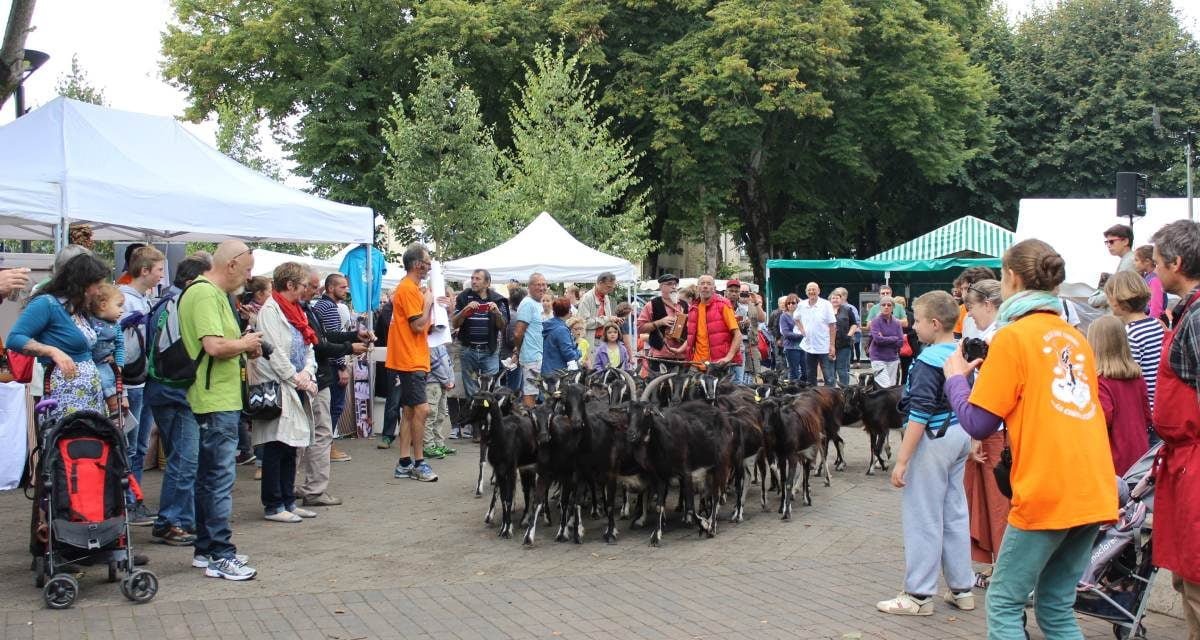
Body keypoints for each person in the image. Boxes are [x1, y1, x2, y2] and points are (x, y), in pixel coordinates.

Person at [942, 239, 1117, 638]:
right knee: (1056, 607)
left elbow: (978, 423)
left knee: (1004, 601)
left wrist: (956, 379)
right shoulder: (1075, 337)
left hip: (1047, 490)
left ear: (1012, 278)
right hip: (1093, 488)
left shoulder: (1013, 337)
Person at [877, 291, 974, 616]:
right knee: (955, 512)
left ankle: (918, 595)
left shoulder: (927, 362)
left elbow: (918, 414)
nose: (913, 327)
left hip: (933, 439)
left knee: (923, 517)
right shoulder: (961, 353)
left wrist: (902, 460)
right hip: (960, 434)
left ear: (934, 324)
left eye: (917, 321)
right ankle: (962, 589)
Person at [180, 240, 262, 580]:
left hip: (218, 398)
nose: (248, 278)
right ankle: (220, 554)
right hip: (214, 400)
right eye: (246, 271)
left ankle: (207, 549)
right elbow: (213, 346)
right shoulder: (204, 294)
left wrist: (244, 348)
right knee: (218, 479)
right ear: (230, 265)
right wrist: (245, 344)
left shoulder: (212, 295)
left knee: (209, 478)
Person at [1148, 219, 1200, 634]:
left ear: (1176, 263)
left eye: (1157, 263)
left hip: (1196, 461)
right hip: (1185, 460)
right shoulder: (1188, 312)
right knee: (1189, 578)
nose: (1154, 272)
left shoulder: (1198, 318)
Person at [145, 255, 211, 547]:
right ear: (192, 282)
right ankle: (170, 521)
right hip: (178, 392)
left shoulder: (164, 303)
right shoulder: (183, 305)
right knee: (185, 460)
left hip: (162, 390)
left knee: (180, 459)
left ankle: (182, 519)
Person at [250, 263, 319, 524]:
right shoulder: (270, 311)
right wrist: (297, 378)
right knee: (276, 446)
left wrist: (308, 373)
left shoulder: (297, 311)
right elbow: (274, 352)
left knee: (293, 446)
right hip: (280, 386)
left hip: (296, 384)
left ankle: (288, 499)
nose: (306, 290)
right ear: (290, 285)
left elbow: (308, 344)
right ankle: (274, 503)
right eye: (303, 285)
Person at [8, 254, 111, 423]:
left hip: (89, 397)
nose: (99, 292)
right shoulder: (47, 304)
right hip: (64, 397)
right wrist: (52, 351)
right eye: (97, 286)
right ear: (83, 284)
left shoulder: (77, 308)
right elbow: (15, 338)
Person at [299, 269, 371, 507]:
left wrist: (352, 337)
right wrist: (348, 352)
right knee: (321, 431)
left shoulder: (309, 308)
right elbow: (321, 344)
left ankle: (302, 488)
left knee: (317, 430)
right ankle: (313, 489)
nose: (314, 290)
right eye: (311, 286)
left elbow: (325, 337)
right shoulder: (321, 308)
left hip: (315, 375)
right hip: (316, 377)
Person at [958, 279, 1008, 589]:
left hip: (993, 433)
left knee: (997, 502)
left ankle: (1006, 570)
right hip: (991, 430)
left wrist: (977, 433)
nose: (969, 313)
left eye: (972, 306)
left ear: (988, 304)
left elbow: (989, 393)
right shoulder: (994, 337)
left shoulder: (998, 339)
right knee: (991, 502)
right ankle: (1000, 566)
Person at [386, 243, 441, 482]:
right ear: (418, 264)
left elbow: (423, 325)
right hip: (410, 359)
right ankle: (419, 463)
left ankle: (404, 462)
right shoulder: (409, 289)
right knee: (422, 409)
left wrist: (436, 308)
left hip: (413, 357)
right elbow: (417, 325)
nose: (429, 266)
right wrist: (429, 303)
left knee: (409, 411)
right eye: (427, 262)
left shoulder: (412, 290)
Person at [120, 245, 166, 525]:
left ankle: (134, 500)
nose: (162, 275)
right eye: (159, 269)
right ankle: (128, 502)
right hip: (132, 384)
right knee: (131, 447)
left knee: (137, 446)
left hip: (140, 382)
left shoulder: (141, 299)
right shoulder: (126, 301)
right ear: (145, 270)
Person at [1087, 316, 1151, 475]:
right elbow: (1147, 416)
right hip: (1140, 456)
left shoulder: (1100, 382)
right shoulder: (1137, 377)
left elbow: (1101, 421)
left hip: (1114, 461)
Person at [451, 268, 508, 437]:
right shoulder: (463, 297)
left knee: (489, 390)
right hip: (468, 350)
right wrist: (465, 311)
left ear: (487, 283)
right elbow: (455, 323)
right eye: (472, 278)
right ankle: (476, 427)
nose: (474, 281)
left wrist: (497, 312)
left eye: (478, 279)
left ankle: (488, 426)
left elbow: (502, 326)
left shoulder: (498, 299)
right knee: (472, 391)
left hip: (488, 351)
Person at [1105, 270, 1165, 428]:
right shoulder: (1156, 324)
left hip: (1144, 412)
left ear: (1117, 301)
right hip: (1160, 405)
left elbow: (1132, 376)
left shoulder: (1130, 333)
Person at [310, 272, 354, 461]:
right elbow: (330, 338)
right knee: (334, 408)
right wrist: (342, 366)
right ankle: (328, 447)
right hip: (330, 366)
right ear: (330, 288)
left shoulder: (320, 306)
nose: (346, 290)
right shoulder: (329, 308)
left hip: (323, 364)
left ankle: (326, 446)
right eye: (342, 287)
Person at [684, 275, 742, 371]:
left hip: (717, 365)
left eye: (709, 284)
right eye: (702, 283)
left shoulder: (723, 305)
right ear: (698, 288)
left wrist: (728, 357)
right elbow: (692, 337)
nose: (705, 286)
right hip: (696, 363)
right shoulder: (693, 308)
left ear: (714, 289)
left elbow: (738, 335)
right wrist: (679, 350)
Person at [87, 283, 126, 418]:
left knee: (112, 387)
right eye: (118, 306)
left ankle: (116, 414)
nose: (122, 311)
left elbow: (120, 345)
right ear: (103, 305)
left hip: (108, 365)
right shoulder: (88, 321)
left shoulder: (116, 326)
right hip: (91, 365)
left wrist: (119, 364)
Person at [510, 273, 548, 408]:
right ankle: (529, 423)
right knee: (530, 392)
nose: (543, 288)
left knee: (535, 391)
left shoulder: (537, 303)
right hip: (531, 356)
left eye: (544, 284)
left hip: (537, 355)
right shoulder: (527, 304)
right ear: (530, 286)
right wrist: (519, 350)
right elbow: (518, 333)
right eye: (539, 284)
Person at [637, 274, 689, 371]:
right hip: (660, 354)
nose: (673, 287)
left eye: (675, 284)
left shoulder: (684, 305)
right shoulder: (651, 305)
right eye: (669, 284)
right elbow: (640, 328)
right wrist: (659, 322)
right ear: (661, 287)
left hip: (681, 355)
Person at [793, 282, 836, 387]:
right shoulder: (802, 305)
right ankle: (813, 400)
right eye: (809, 290)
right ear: (806, 292)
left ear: (819, 291)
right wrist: (802, 330)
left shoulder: (826, 304)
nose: (811, 292)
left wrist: (832, 345)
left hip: (824, 346)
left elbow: (832, 325)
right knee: (810, 376)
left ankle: (831, 399)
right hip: (809, 346)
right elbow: (796, 318)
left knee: (829, 377)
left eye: (814, 289)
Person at [1088, 223, 1136, 309]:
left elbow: (1119, 292)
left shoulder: (1129, 261)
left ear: (1125, 241)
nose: (1109, 245)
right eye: (1107, 242)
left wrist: (1094, 300)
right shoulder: (1128, 259)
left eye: (1111, 241)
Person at [423, 341, 456, 460]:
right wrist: (447, 380)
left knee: (441, 415)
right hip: (433, 383)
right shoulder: (430, 343)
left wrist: (451, 380)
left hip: (443, 384)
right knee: (431, 415)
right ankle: (428, 445)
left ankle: (439, 443)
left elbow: (449, 363)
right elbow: (434, 364)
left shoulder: (441, 344)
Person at [868, 297, 904, 388]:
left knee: (891, 387)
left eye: (889, 305)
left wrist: (885, 338)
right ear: (880, 307)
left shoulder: (897, 323)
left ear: (893, 307)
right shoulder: (875, 322)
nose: (886, 307)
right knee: (885, 385)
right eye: (883, 305)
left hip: (893, 358)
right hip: (878, 358)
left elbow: (900, 342)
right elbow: (877, 340)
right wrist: (893, 338)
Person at [953, 267, 997, 339]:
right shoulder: (965, 315)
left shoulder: (1005, 324)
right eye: (962, 289)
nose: (964, 295)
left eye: (967, 289)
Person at [541, 297, 581, 374]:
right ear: (568, 311)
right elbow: (569, 355)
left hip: (548, 370)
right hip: (557, 373)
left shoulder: (551, 325)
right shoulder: (562, 330)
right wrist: (579, 352)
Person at [829, 287, 858, 387]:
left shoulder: (847, 310)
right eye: (833, 298)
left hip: (844, 344)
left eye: (837, 297)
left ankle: (844, 390)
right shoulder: (826, 310)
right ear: (830, 300)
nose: (835, 299)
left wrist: (849, 335)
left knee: (842, 369)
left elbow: (854, 324)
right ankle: (831, 391)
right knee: (830, 370)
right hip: (828, 345)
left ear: (841, 299)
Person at [578, 272, 617, 340]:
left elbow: (607, 319)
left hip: (604, 340)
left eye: (612, 287)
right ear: (600, 283)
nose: (611, 290)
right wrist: (607, 319)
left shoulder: (606, 297)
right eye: (608, 287)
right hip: (591, 341)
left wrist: (613, 321)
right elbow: (583, 323)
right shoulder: (587, 298)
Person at [1134, 245, 1168, 321]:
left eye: (1136, 260)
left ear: (1147, 261)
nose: (1134, 263)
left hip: (1157, 320)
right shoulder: (1147, 276)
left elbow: (1156, 307)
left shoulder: (1154, 279)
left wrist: (1150, 322)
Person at [778, 294, 805, 382]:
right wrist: (802, 335)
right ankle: (793, 392)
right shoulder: (784, 316)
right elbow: (786, 333)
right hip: (791, 347)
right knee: (794, 372)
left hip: (805, 347)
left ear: (798, 303)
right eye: (788, 303)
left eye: (793, 303)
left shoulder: (803, 315)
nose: (790, 305)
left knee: (806, 372)